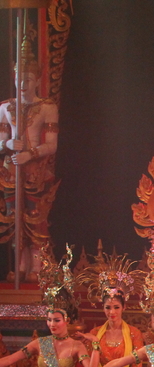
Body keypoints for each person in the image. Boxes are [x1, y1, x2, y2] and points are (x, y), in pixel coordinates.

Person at [0, 41, 59, 281]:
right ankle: (20, 265)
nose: (22, 84)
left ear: (37, 81)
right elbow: (0, 141)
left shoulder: (47, 107)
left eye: (27, 79)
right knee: (15, 217)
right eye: (18, 79)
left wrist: (30, 153)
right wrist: (7, 145)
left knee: (35, 217)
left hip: (36, 170)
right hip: (12, 169)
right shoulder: (5, 107)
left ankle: (36, 265)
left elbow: (52, 145)